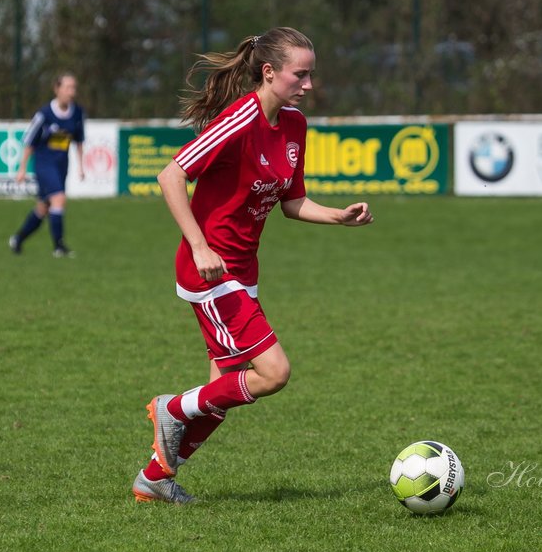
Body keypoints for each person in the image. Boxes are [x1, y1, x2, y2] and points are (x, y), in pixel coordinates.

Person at [134, 27, 373, 504]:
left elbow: (292, 202)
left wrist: (338, 217)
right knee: (273, 372)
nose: (308, 85)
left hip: (243, 272)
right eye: (299, 75)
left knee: (221, 392)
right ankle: (171, 408)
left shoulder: (294, 126)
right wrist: (200, 245)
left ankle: (155, 478)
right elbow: (171, 175)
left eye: (311, 75)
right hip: (211, 272)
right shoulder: (239, 120)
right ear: (269, 72)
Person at [8, 72, 85, 258]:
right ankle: (59, 247)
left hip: (61, 166)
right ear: (57, 89)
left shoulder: (77, 113)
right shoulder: (44, 115)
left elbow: (78, 141)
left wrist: (81, 166)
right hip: (44, 165)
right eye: (67, 87)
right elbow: (29, 142)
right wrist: (22, 168)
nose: (71, 92)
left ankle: (18, 239)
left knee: (44, 207)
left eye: (73, 87)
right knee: (59, 198)